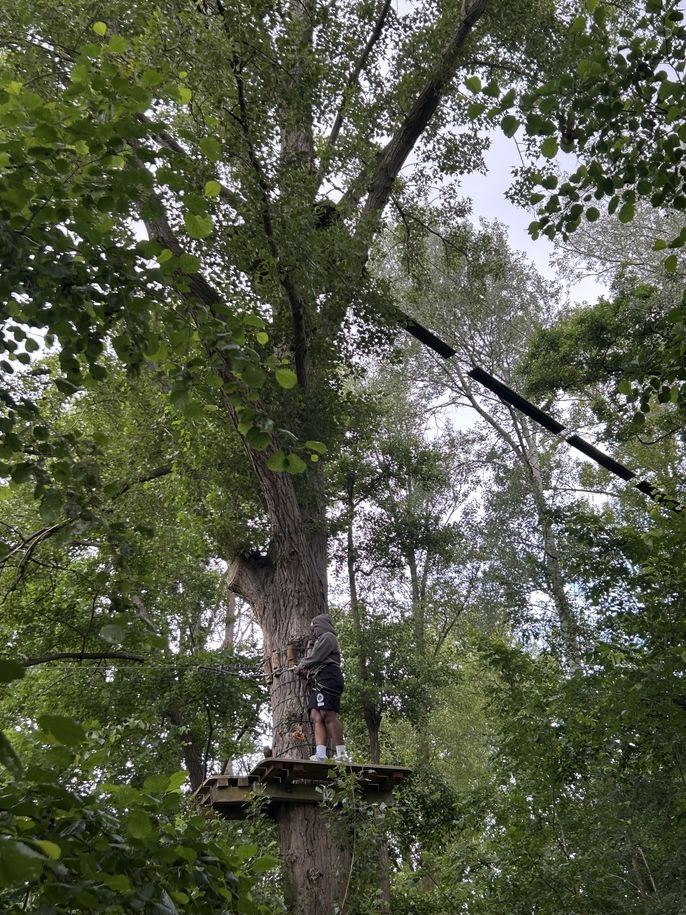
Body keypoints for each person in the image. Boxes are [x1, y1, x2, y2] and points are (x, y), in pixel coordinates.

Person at [294, 614, 350, 762]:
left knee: (327, 714)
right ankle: (321, 754)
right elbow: (316, 663)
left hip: (329, 677)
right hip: (319, 679)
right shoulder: (321, 640)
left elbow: (317, 658)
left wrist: (302, 664)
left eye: (315, 628)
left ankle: (342, 754)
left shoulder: (328, 637)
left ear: (322, 625)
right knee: (316, 715)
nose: (314, 632)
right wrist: (305, 673)